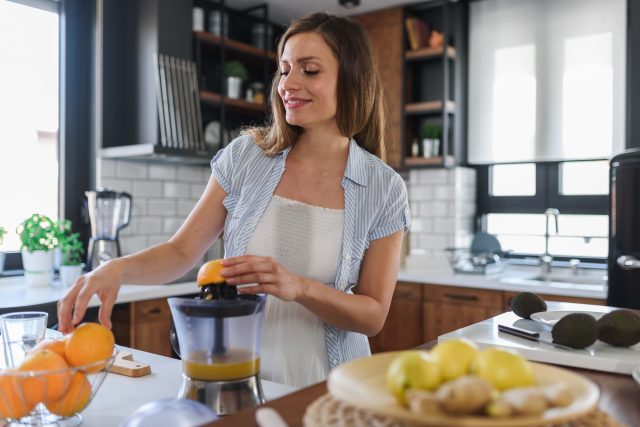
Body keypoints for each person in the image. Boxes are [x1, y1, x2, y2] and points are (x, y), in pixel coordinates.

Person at [58, 12, 410, 387]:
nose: (288, 83)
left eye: (309, 70)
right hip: (236, 378)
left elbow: (373, 314)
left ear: (352, 80)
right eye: (285, 69)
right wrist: (116, 269)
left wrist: (299, 287)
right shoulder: (247, 156)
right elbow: (181, 252)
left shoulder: (383, 188)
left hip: (330, 386)